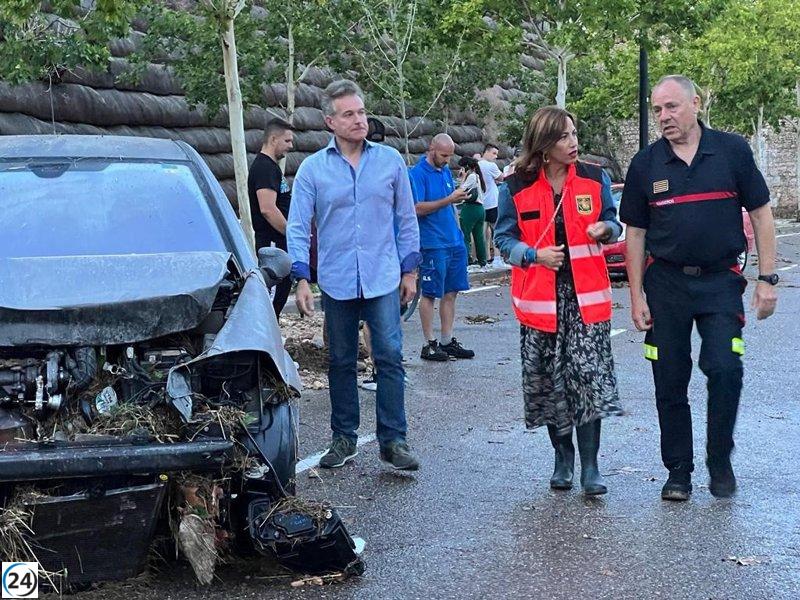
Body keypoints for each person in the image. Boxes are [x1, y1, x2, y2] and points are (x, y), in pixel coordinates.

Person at [619, 75, 779, 501]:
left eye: (671, 107)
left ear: (696, 103)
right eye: (657, 110)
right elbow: (634, 234)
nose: (663, 117)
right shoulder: (645, 164)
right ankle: (678, 471)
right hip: (666, 284)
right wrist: (635, 297)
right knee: (669, 378)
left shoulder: (731, 151)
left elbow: (762, 215)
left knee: (726, 369)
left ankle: (719, 458)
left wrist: (767, 279)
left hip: (721, 281)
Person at [287, 79, 422, 471]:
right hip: (338, 279)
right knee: (341, 360)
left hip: (383, 276)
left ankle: (394, 441)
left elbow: (406, 217)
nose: (359, 120)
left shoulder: (390, 161)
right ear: (330, 121)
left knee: (390, 357)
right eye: (349, 114)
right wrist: (301, 277)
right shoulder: (313, 170)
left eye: (361, 112)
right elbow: (298, 225)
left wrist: (410, 270)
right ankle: (343, 438)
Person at [495, 106, 624, 496]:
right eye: (565, 136)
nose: (574, 142)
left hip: (585, 299)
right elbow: (504, 239)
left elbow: (614, 222)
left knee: (587, 378)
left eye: (574, 134)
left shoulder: (593, 176)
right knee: (550, 382)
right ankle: (561, 458)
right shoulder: (515, 185)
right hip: (540, 302)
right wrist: (535, 256)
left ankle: (591, 467)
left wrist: (606, 228)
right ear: (545, 144)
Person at [409, 134, 475, 362]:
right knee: (430, 294)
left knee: (451, 291)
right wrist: (449, 199)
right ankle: (429, 343)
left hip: (453, 240)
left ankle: (447, 340)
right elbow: (417, 208)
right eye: (443, 155)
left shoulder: (445, 171)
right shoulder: (417, 174)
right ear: (431, 148)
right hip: (432, 242)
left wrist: (456, 199)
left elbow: (447, 201)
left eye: (450, 156)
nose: (447, 160)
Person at [247, 118, 295, 317]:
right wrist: (291, 234)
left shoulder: (270, 167)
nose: (291, 146)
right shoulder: (265, 168)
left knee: (280, 295)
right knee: (271, 300)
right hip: (272, 246)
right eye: (287, 141)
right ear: (273, 139)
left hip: (277, 243)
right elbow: (267, 209)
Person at [457, 156, 488, 271]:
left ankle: (465, 262)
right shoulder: (478, 176)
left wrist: (462, 179)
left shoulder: (470, 177)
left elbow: (460, 191)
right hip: (480, 209)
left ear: (466, 167)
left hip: (470, 208)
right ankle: (482, 262)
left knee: (465, 236)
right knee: (479, 236)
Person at [478, 143, 505, 268]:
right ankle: (498, 258)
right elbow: (502, 178)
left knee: (481, 233)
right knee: (497, 231)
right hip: (493, 203)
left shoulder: (476, 165)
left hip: (480, 203)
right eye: (494, 153)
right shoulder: (491, 166)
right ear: (486, 152)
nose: (495, 157)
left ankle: (483, 258)